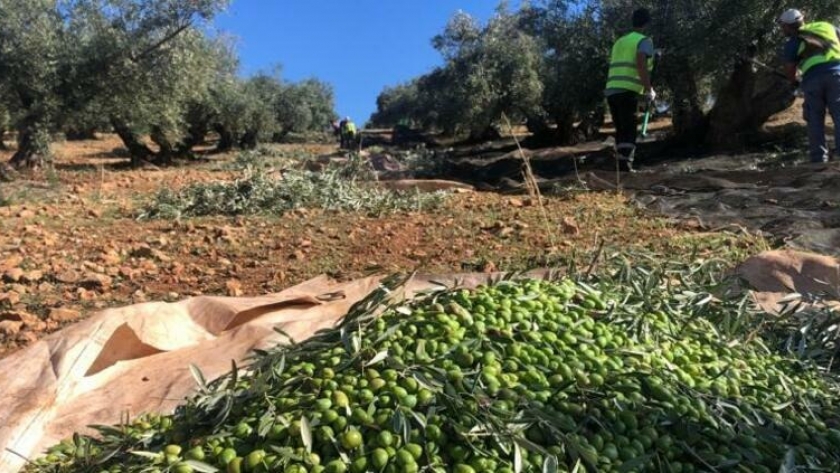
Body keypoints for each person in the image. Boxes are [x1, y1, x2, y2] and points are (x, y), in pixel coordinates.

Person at [779, 8, 840, 163]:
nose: (782, 29)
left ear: (788, 26)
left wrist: (793, 81)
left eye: (782, 26)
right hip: (837, 76)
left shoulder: (794, 41)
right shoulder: (827, 26)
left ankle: (818, 159)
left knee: (814, 119)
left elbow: (789, 68)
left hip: (813, 81)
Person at [604, 8, 656, 172]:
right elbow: (641, 63)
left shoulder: (620, 41)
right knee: (628, 129)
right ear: (647, 23)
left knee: (621, 128)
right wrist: (649, 89)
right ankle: (626, 165)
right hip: (628, 91)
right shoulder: (644, 40)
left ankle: (621, 164)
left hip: (612, 91)